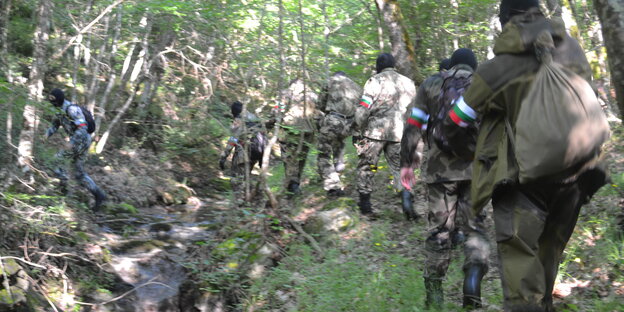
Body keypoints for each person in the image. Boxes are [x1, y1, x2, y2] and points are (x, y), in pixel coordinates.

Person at [458, 1, 608, 310]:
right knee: (548, 255)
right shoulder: (574, 49)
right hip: (575, 177)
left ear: (506, 23)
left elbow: (457, 118)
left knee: (520, 270)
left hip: (522, 184)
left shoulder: (496, 69)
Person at [400, 51, 490, 309]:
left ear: (449, 66)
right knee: (476, 228)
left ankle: (435, 293)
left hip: (440, 172)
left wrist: (407, 163)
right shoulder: (485, 84)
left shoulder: (430, 84)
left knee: (439, 231)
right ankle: (472, 280)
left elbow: (414, 123)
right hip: (477, 171)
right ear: (474, 67)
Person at [354, 53, 417, 219]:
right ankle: (406, 197)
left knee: (368, 167)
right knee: (399, 167)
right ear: (394, 65)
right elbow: (412, 110)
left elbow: (364, 107)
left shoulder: (375, 81)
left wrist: (358, 125)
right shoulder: (408, 83)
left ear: (378, 66)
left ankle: (366, 207)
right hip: (399, 132)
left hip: (374, 133)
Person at [45, 88, 107, 211]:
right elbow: (55, 125)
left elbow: (83, 128)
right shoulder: (59, 110)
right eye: (50, 100)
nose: (51, 102)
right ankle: (99, 195)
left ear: (58, 99)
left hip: (81, 141)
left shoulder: (71, 109)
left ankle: (64, 193)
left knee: (55, 161)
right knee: (79, 174)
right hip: (79, 142)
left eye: (53, 100)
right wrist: (47, 134)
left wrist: (71, 143)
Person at [316, 71, 362, 197]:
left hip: (333, 121)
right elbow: (362, 109)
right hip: (350, 124)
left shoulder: (330, 81)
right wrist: (357, 131)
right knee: (339, 144)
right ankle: (338, 168)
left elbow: (320, 104)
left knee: (323, 154)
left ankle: (333, 187)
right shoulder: (357, 86)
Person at [278, 79, 319, 195]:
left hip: (289, 130)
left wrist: (270, 124)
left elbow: (277, 111)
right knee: (301, 157)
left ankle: (292, 185)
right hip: (308, 131)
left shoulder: (285, 94)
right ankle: (296, 183)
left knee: (289, 158)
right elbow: (319, 113)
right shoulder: (313, 95)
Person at [219, 101, 267, 198]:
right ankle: (250, 200)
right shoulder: (254, 117)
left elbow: (233, 139)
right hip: (257, 152)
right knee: (247, 177)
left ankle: (240, 203)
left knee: (236, 179)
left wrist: (224, 156)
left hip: (244, 153)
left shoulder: (239, 120)